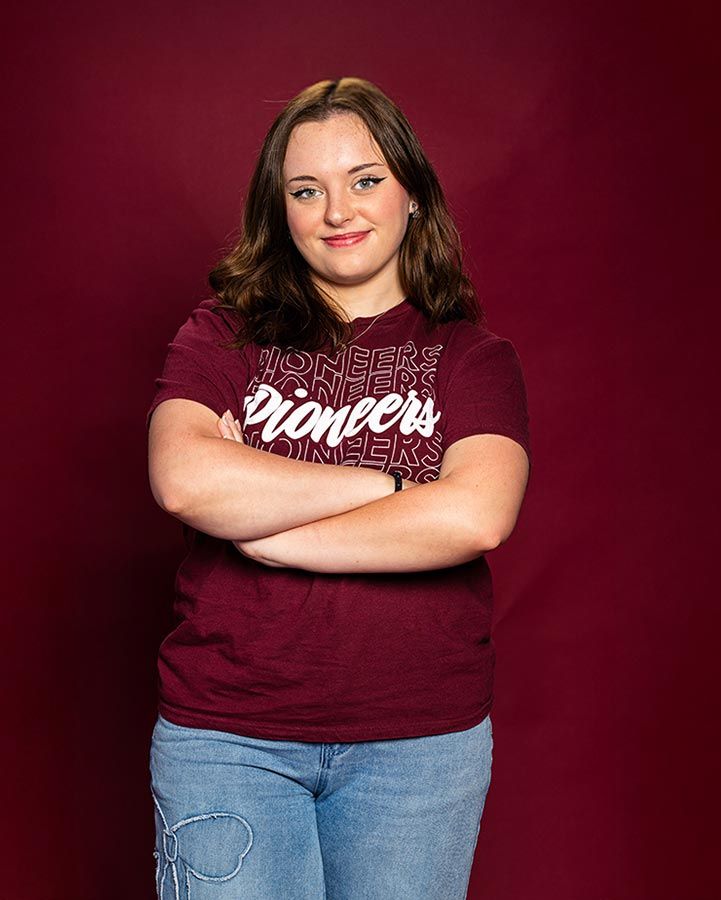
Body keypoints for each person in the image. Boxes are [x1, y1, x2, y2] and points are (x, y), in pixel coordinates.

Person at [144, 76, 531, 900]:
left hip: (420, 747)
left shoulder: (472, 359)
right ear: (279, 211)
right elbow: (185, 480)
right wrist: (393, 484)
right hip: (228, 740)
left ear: (412, 194)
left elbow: (475, 515)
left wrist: (268, 528)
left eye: (365, 180)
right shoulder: (221, 336)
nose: (337, 212)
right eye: (307, 189)